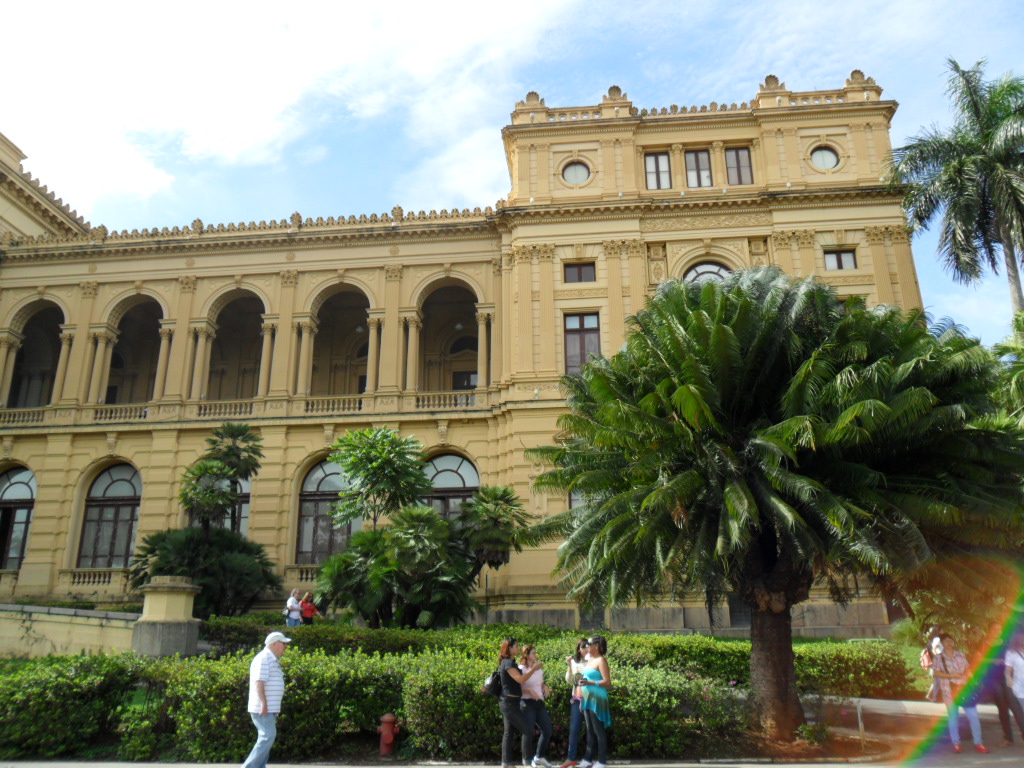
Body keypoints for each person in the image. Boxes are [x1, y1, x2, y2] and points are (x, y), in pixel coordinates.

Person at [932, 634, 988, 754]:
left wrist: (972, 680)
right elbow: (936, 673)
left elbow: (967, 668)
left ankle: (978, 742)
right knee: (953, 717)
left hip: (964, 689)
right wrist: (952, 675)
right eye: (946, 641)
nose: (949, 643)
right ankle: (956, 743)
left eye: (951, 640)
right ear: (942, 643)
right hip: (948, 690)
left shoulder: (960, 655)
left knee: (973, 716)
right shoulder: (938, 658)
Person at [242, 630, 291, 768]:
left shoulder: (271, 658)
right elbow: (259, 682)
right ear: (274, 644)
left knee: (267, 738)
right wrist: (264, 704)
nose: (285, 647)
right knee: (267, 736)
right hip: (262, 708)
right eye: (283, 644)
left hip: (268, 708)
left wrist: (273, 707)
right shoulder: (264, 658)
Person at [497, 637, 542, 768]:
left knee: (508, 733)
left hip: (512, 702)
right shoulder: (507, 663)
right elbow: (520, 679)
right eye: (516, 646)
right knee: (528, 729)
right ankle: (527, 762)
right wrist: (534, 669)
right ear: (509, 648)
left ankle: (506, 763)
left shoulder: (511, 662)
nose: (518, 648)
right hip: (509, 704)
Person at [578, 635, 611, 768]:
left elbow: (607, 682)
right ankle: (588, 759)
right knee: (590, 730)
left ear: (596, 646)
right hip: (587, 699)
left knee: (598, 731)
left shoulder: (601, 660)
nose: (586, 646)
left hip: (597, 699)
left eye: (589, 644)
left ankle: (602, 761)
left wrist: (590, 682)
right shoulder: (590, 659)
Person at [519, 644, 553, 768]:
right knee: (528, 732)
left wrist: (545, 686)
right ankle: (527, 760)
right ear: (526, 655)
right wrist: (528, 691)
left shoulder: (538, 668)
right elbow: (517, 688)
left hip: (539, 702)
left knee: (547, 730)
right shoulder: (521, 669)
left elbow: (539, 682)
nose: (536, 655)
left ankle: (539, 756)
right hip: (527, 703)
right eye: (533, 653)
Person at [561, 638, 589, 768]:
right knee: (574, 729)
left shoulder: (592, 662)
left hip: (590, 699)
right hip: (577, 699)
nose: (586, 649)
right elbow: (569, 680)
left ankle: (588, 758)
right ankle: (571, 758)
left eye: (587, 646)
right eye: (583, 646)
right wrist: (569, 666)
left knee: (591, 730)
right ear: (578, 649)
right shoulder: (574, 662)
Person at [1003, 634, 1024, 744]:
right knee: (1021, 714)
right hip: (1019, 688)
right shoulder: (1011, 653)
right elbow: (1008, 670)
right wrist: (1008, 679)